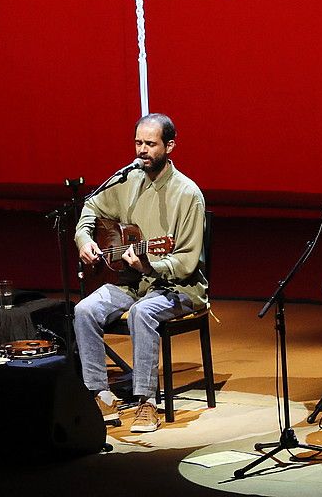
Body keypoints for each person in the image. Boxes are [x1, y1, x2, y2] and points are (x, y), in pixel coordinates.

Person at [73, 113, 207, 432]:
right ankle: (101, 395)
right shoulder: (127, 180)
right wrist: (85, 238)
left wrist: (150, 265)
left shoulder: (188, 194)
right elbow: (90, 207)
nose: (142, 150)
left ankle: (147, 402)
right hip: (133, 283)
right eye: (138, 143)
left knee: (142, 313)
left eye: (150, 144)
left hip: (180, 288)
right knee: (84, 310)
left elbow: (187, 263)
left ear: (170, 146)